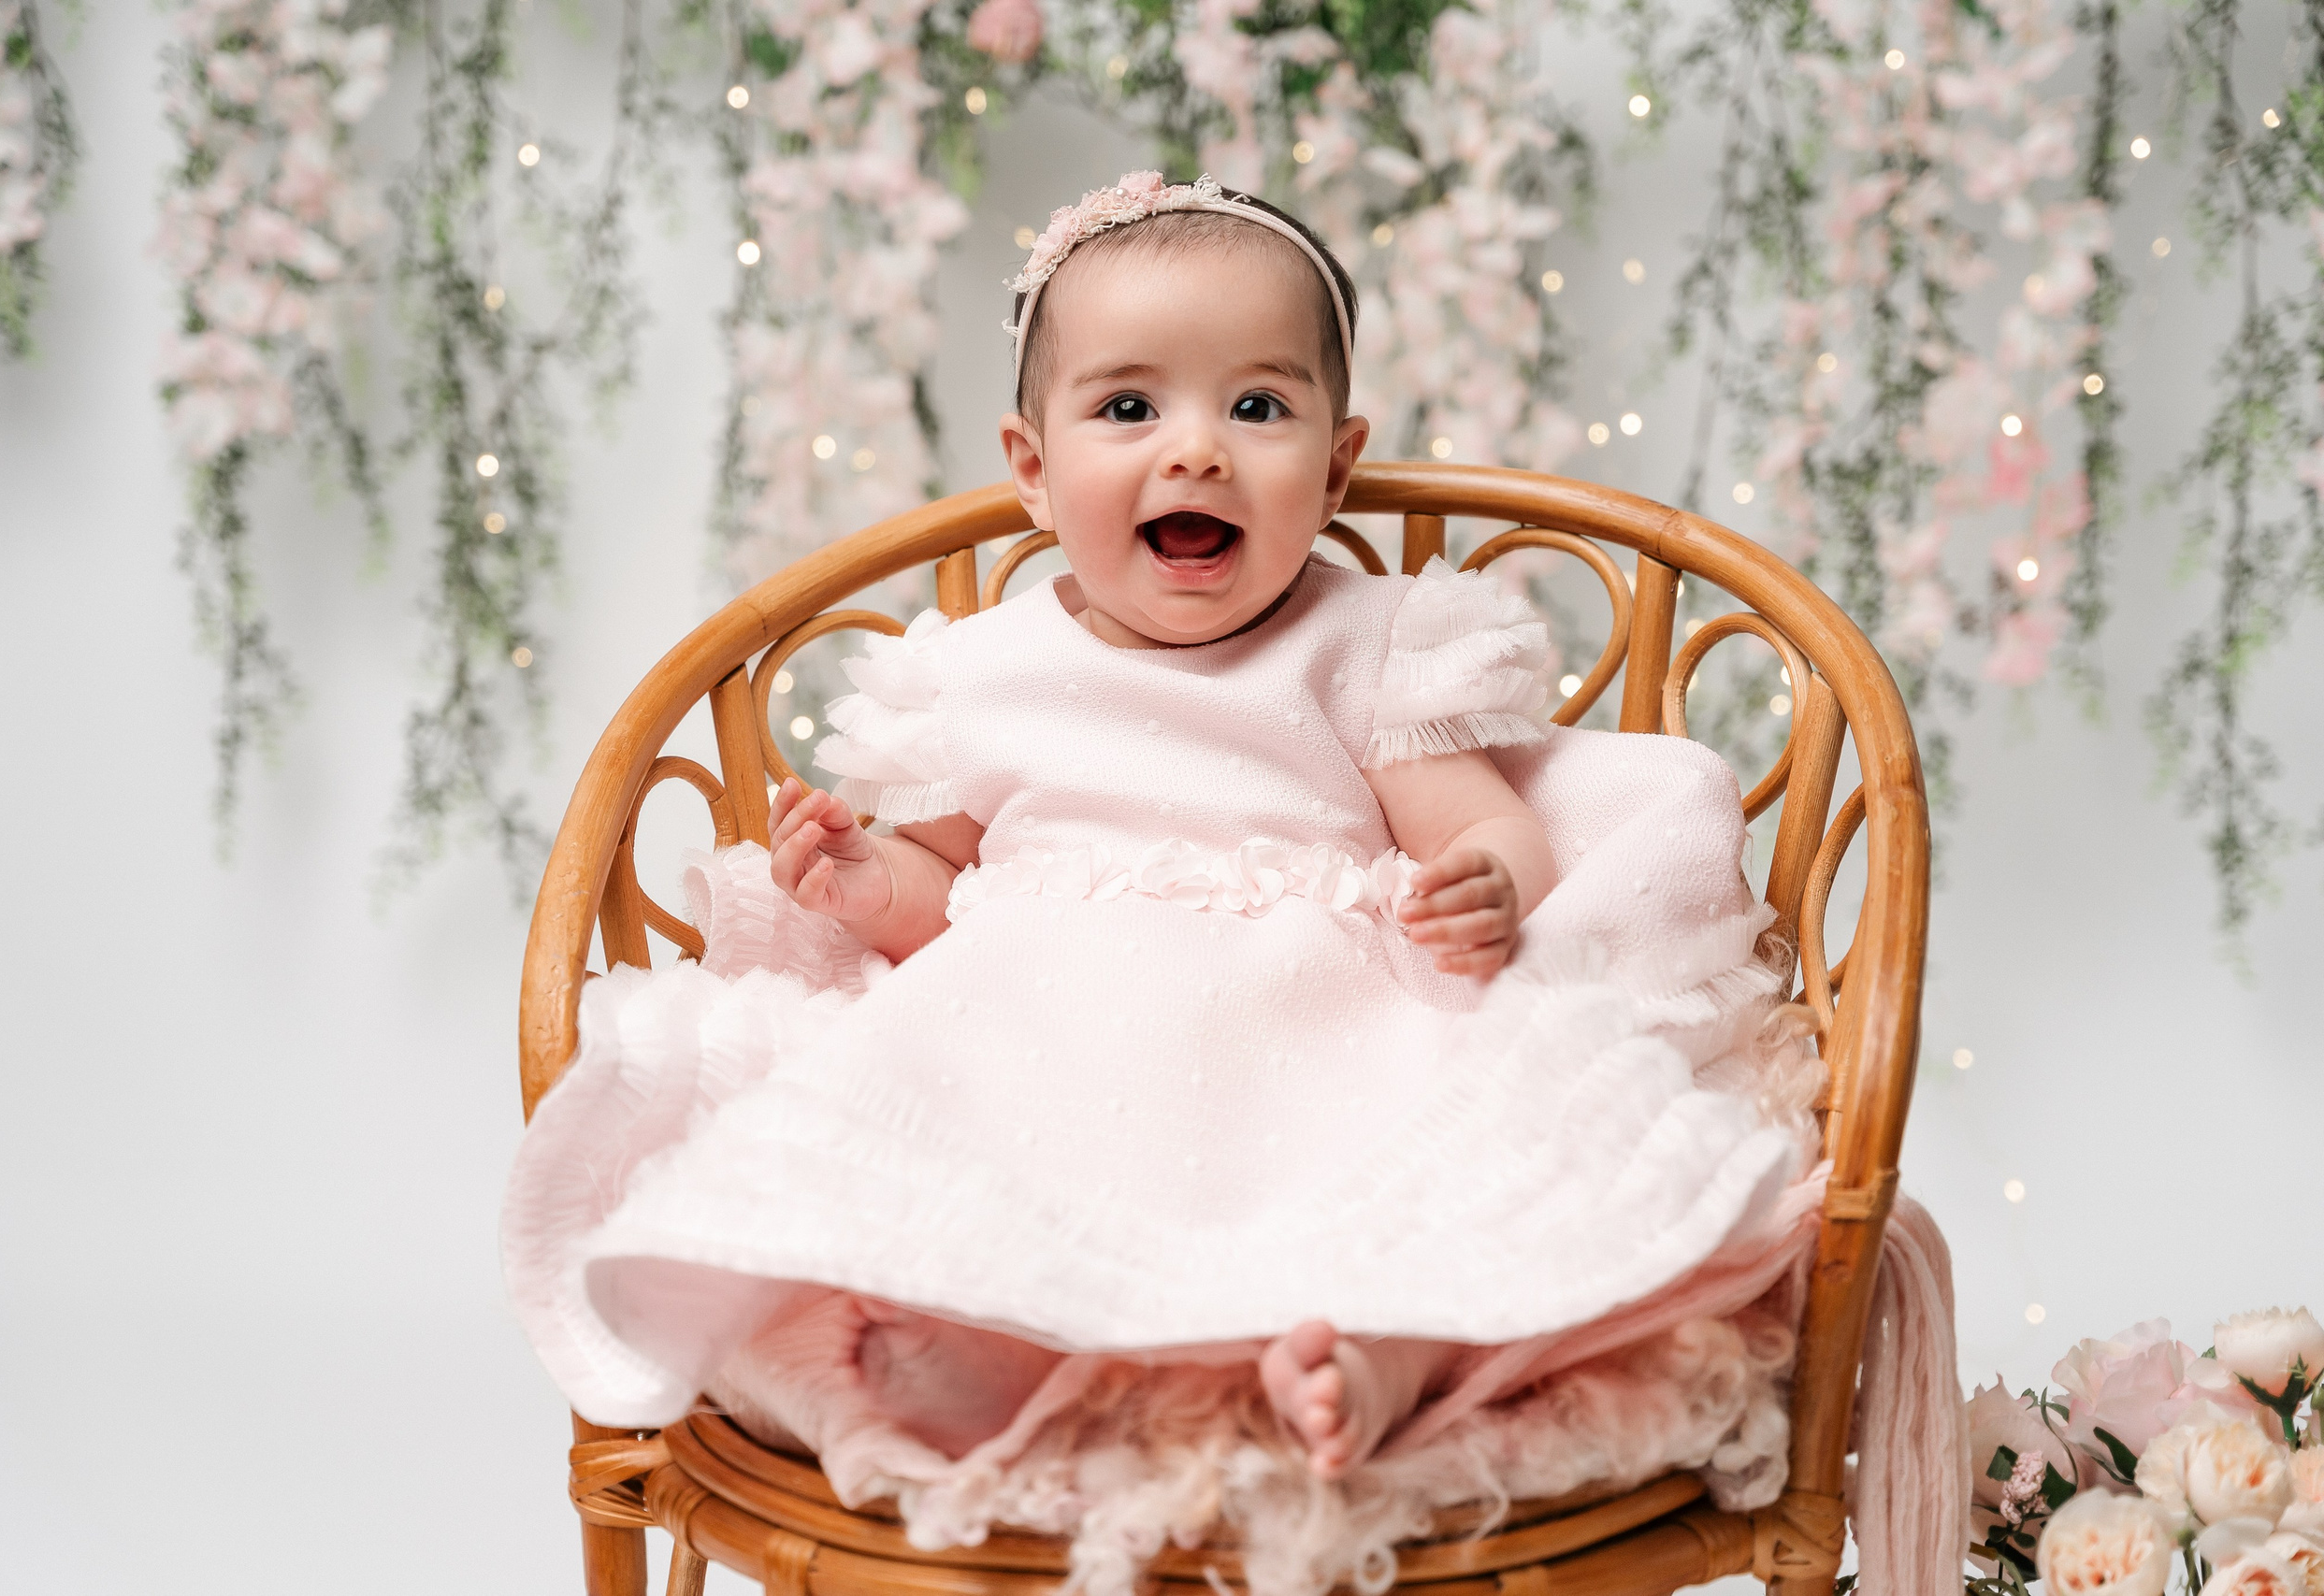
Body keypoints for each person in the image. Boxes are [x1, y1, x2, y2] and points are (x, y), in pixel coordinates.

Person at [501, 172, 1904, 1595]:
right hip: (1049, 1018)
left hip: (1315, 1010)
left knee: (1433, 1180)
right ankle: (990, 1349)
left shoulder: (1370, 644)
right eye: (1128, 407)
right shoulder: (979, 675)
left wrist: (1485, 881)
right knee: (967, 1156)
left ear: (1337, 469)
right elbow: (939, 908)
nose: (1197, 452)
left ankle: (1374, 1355)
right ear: (1032, 466)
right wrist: (865, 883)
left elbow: (1490, 823)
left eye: (1257, 406)